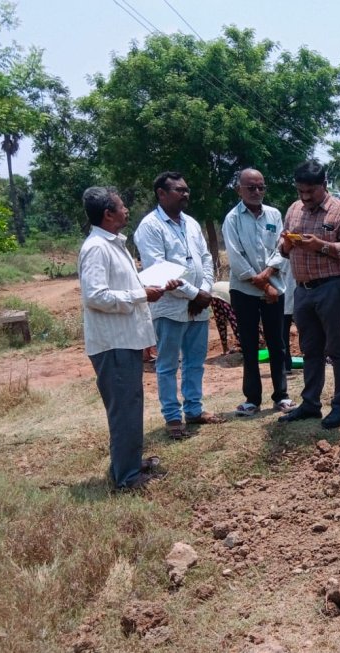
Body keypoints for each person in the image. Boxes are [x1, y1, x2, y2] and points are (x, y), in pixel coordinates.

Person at [78, 186, 180, 489]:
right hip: (113, 343)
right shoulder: (97, 247)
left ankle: (129, 465)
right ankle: (127, 478)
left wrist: (151, 287)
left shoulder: (112, 244)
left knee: (130, 405)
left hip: (125, 340)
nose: (126, 211)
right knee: (124, 410)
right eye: (121, 207)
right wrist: (140, 294)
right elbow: (95, 296)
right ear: (108, 214)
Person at [134, 172, 224, 440]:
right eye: (179, 190)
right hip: (170, 308)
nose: (186, 194)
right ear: (161, 194)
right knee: (168, 365)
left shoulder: (192, 223)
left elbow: (206, 258)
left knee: (195, 362)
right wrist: (195, 294)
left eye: (187, 190)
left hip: (198, 306)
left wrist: (205, 291)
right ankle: (173, 417)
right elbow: (158, 270)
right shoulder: (150, 226)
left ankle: (194, 410)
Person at [278, 160, 340, 429]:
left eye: (310, 191)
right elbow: (282, 248)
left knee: (337, 349)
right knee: (310, 349)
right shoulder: (293, 209)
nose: (305, 197)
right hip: (302, 290)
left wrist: (322, 246)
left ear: (324, 185)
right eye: (301, 191)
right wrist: (286, 244)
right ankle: (311, 404)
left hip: (332, 288)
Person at [222, 168, 294, 417]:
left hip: (275, 287)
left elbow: (282, 248)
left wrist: (269, 274)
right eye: (250, 187)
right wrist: (264, 285)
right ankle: (252, 398)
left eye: (261, 187)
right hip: (245, 291)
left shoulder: (274, 214)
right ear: (238, 189)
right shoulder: (232, 219)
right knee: (250, 345)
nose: (256, 192)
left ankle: (281, 395)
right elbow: (236, 258)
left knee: (278, 343)